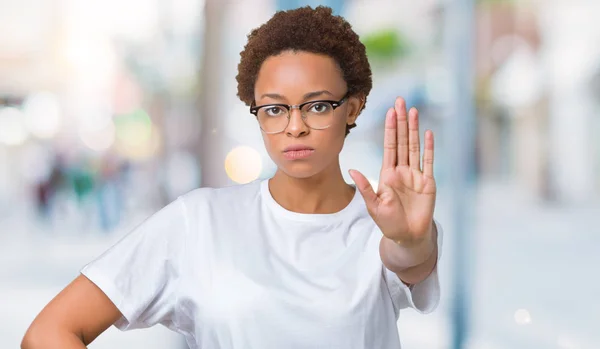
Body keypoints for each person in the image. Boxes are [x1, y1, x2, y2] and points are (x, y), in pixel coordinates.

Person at [22, 6, 443, 349]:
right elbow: (48, 333)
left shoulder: (390, 224)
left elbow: (409, 259)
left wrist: (409, 240)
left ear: (352, 107)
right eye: (275, 109)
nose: (294, 127)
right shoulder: (198, 221)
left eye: (316, 106)